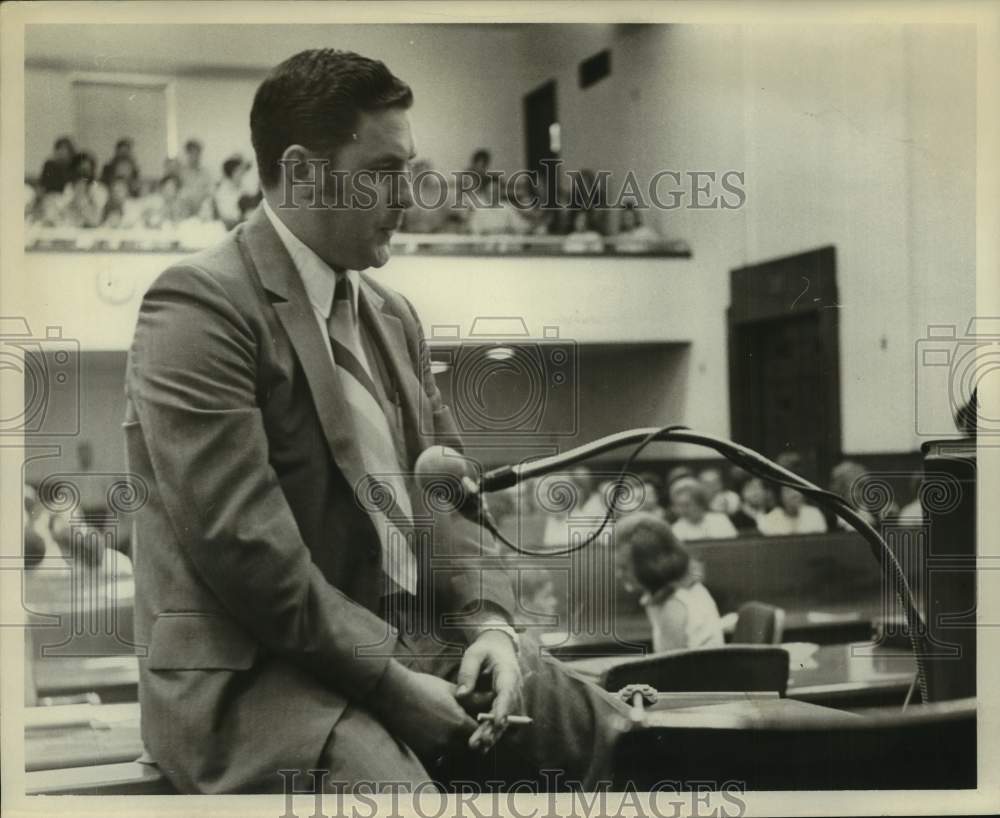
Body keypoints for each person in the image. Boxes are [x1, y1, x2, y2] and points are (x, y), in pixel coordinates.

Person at [124, 48, 626, 796]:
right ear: (300, 172)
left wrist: (490, 627)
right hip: (264, 683)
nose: (413, 195)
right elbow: (248, 554)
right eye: (386, 172)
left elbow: (447, 499)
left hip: (412, 651)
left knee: (620, 739)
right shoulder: (198, 306)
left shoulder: (392, 315)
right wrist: (390, 682)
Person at [614, 512, 724, 652]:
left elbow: (667, 672)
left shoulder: (673, 606)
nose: (618, 575)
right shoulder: (685, 588)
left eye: (624, 568)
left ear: (648, 566)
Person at [668, 476, 738, 541]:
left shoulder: (720, 520)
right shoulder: (675, 530)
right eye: (679, 506)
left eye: (687, 505)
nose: (683, 510)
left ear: (700, 502)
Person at [758, 486, 828, 536]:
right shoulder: (767, 521)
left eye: (798, 489)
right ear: (779, 495)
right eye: (788, 490)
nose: (795, 494)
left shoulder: (815, 514)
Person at [178, 138, 215, 217]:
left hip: (201, 210)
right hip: (184, 210)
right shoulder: (180, 173)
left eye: (197, 154)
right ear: (187, 154)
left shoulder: (205, 173)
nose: (195, 157)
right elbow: (177, 193)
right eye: (191, 153)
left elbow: (210, 192)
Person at [213, 154, 251, 229]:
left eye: (242, 171)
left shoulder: (244, 189)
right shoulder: (222, 191)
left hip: (242, 224)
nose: (242, 174)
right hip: (226, 227)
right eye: (239, 171)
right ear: (232, 172)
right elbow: (226, 216)